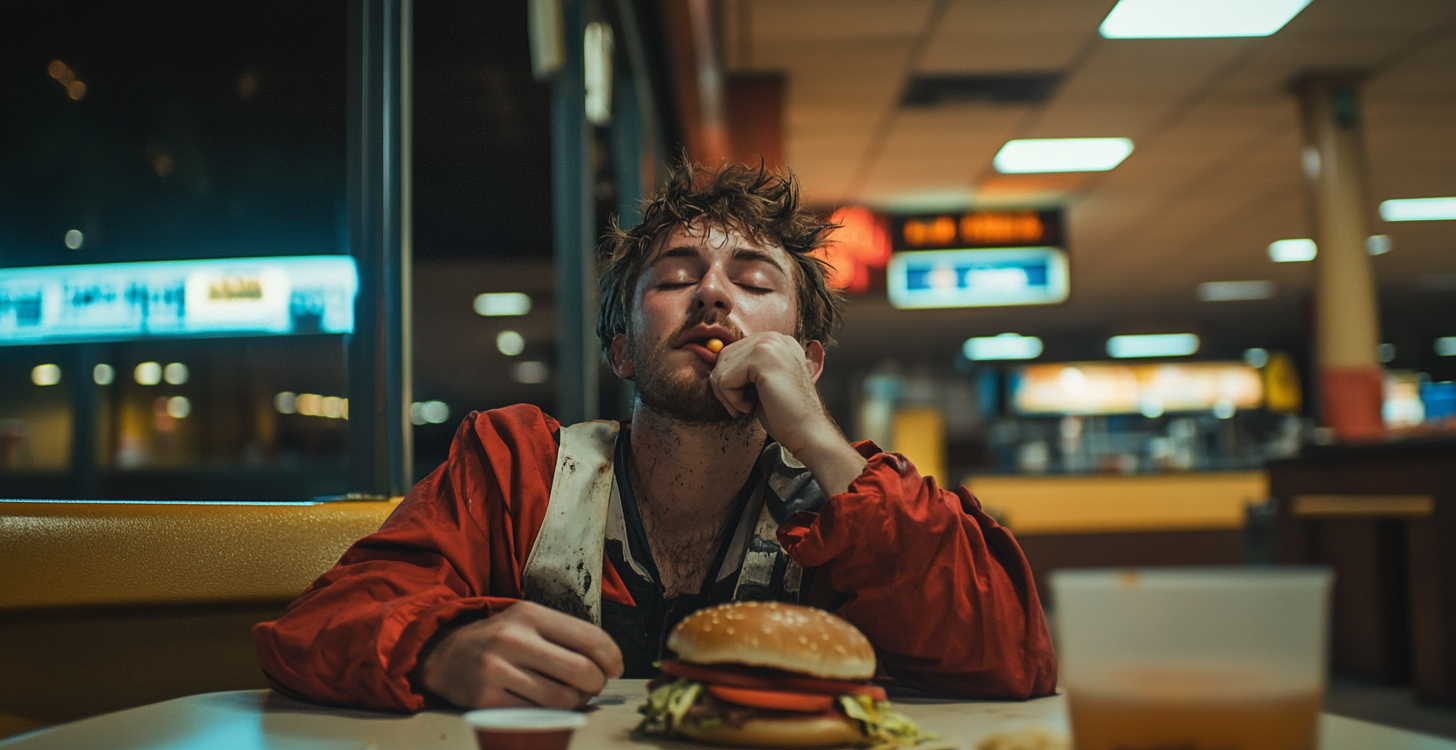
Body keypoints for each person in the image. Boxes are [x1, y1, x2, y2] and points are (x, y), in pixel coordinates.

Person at [253, 162, 1057, 713]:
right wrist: (436, 649)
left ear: (805, 359)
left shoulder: (858, 499)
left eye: (753, 280)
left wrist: (818, 436)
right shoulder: (515, 466)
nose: (711, 293)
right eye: (673, 278)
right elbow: (313, 629)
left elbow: (1015, 659)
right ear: (623, 350)